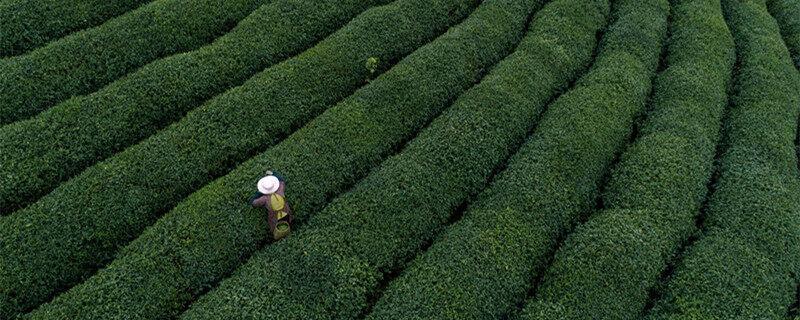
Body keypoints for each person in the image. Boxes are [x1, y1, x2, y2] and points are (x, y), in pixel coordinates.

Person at [250, 171, 293, 240]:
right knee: (288, 225)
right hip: (286, 213)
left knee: (277, 232)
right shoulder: (280, 190)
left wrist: (259, 193)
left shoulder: (264, 199)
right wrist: (273, 173)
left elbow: (253, 203)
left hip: (275, 219)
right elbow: (281, 180)